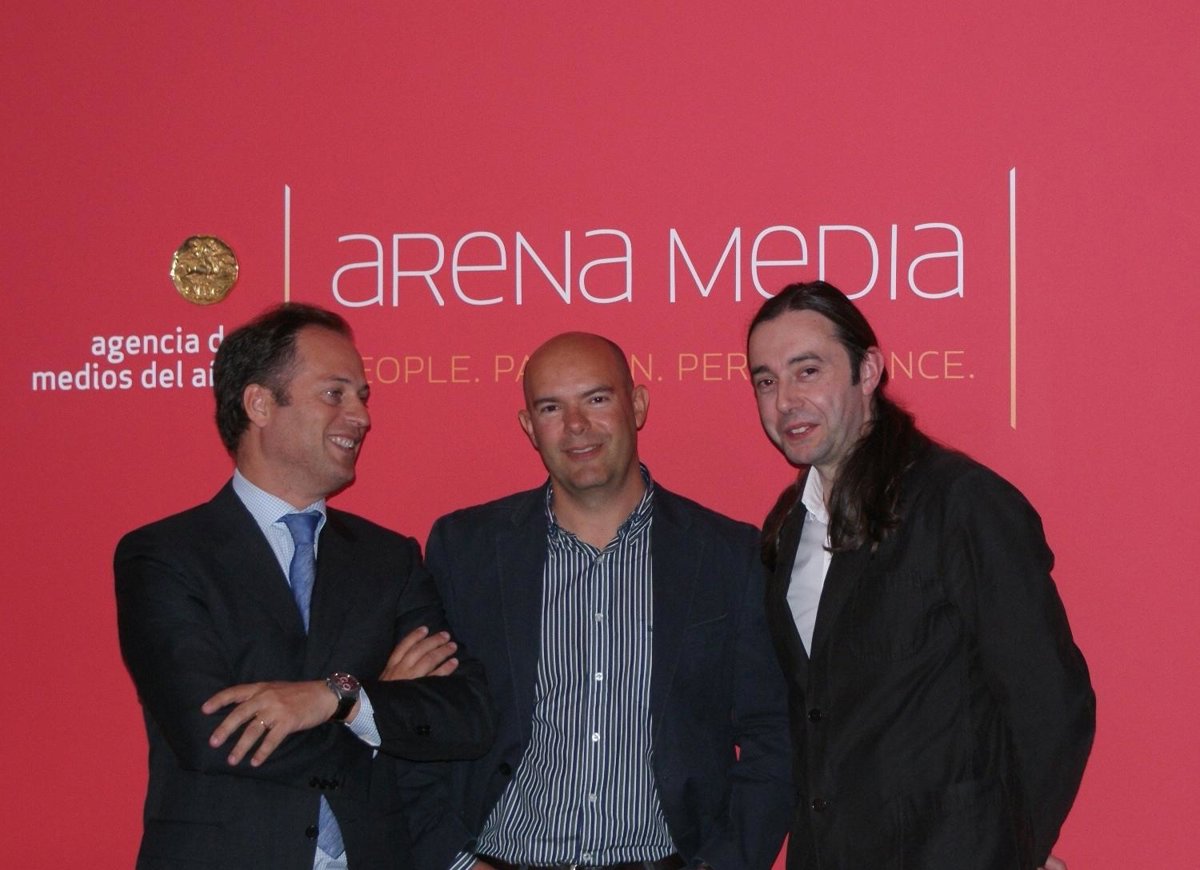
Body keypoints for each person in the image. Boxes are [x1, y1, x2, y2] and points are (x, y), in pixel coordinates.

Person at [115, 303, 494, 870]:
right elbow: (215, 737)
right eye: (335, 394)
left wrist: (336, 697)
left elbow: (464, 716)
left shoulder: (388, 558)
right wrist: (373, 716)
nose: (361, 417)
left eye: (362, 396)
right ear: (260, 404)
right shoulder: (165, 556)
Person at [406, 332, 793, 870]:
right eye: (551, 408)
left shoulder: (728, 554)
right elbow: (418, 718)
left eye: (596, 398)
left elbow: (773, 734)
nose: (575, 425)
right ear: (529, 427)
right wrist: (453, 862)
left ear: (638, 405)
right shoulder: (465, 549)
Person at [745, 281, 1095, 870]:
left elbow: (1050, 701)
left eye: (807, 371)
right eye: (766, 381)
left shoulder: (962, 504)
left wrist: (1019, 853)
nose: (785, 401)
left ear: (867, 371)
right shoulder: (787, 526)